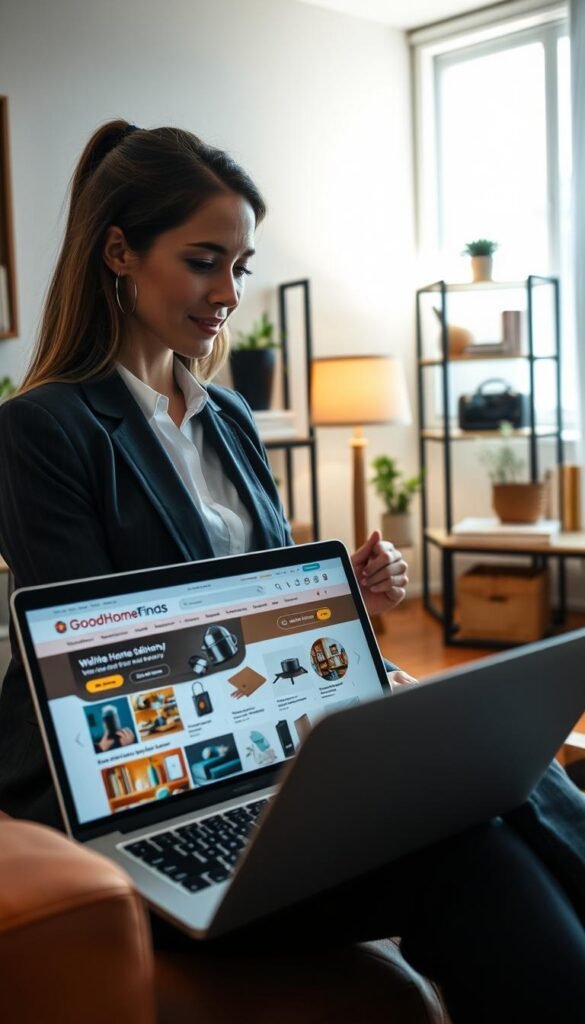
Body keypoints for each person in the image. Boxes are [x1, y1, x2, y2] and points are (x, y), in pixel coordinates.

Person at [0, 120, 583, 1022]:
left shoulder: (228, 415)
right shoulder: (44, 429)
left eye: (241, 263)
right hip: (139, 800)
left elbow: (248, 597)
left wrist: (338, 600)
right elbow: (95, 660)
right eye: (204, 261)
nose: (230, 292)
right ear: (119, 250)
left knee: (496, 785)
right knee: (467, 854)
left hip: (271, 756)